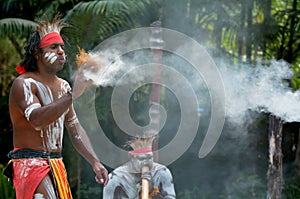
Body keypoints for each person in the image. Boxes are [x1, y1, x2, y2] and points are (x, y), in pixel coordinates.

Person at [5, 14, 108, 199]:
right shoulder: (24, 84)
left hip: (56, 165)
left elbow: (74, 128)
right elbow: (37, 120)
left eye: (62, 47)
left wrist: (95, 161)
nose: (61, 51)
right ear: (38, 54)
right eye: (53, 47)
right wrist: (73, 95)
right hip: (31, 164)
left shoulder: (63, 86)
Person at [103, 136, 176, 199]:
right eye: (141, 159)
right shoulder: (115, 179)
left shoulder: (161, 172)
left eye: (149, 157)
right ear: (131, 158)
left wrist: (150, 191)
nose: (145, 162)